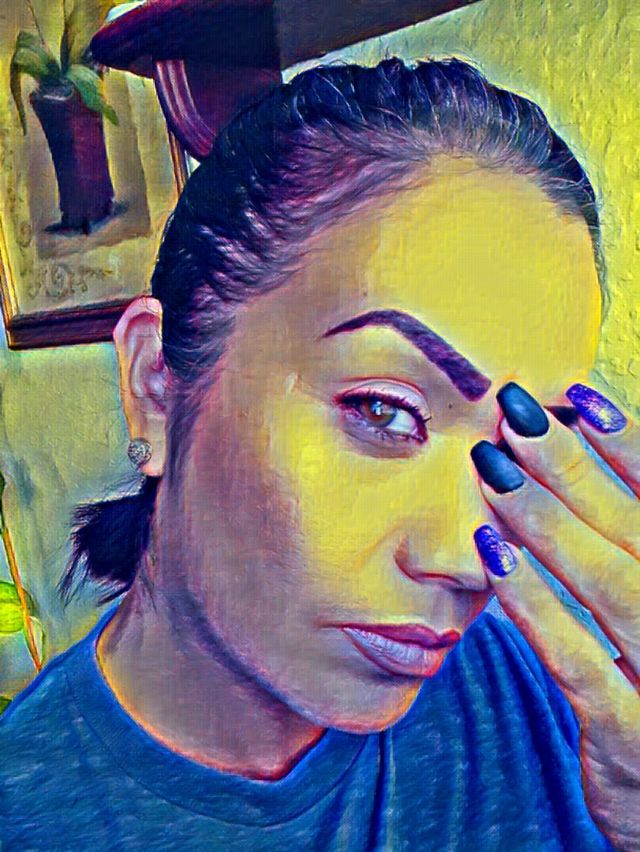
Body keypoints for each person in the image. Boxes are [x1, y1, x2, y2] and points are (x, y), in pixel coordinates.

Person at [1, 58, 638, 851]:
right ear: (156, 383)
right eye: (383, 410)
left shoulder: (583, 707)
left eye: (521, 446)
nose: (465, 562)